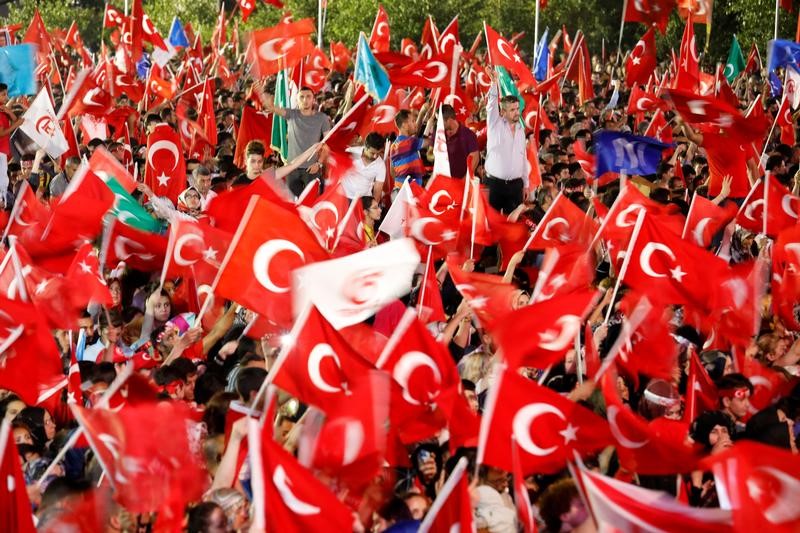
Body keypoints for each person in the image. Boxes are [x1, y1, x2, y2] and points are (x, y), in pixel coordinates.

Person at [259, 85, 332, 196]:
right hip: (291, 169)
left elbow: (327, 144)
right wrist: (263, 94)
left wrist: (319, 164)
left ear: (313, 99)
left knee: (312, 202)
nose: (305, 100)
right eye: (302, 97)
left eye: (308, 97)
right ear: (297, 100)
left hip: (312, 168)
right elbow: (272, 107)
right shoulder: (291, 114)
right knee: (292, 203)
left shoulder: (322, 118)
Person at [485, 73, 530, 213]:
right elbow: (491, 106)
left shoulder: (521, 130)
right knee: (492, 224)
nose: (517, 113)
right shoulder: (494, 125)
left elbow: (523, 158)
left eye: (517, 109)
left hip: (516, 187)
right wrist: (494, 84)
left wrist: (526, 184)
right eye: (512, 110)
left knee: (514, 226)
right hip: (494, 185)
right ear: (503, 112)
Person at [340, 132, 386, 200]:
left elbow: (377, 191)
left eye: (378, 153)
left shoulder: (381, 165)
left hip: (363, 201)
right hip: (344, 197)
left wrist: (372, 207)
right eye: (372, 153)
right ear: (365, 147)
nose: (375, 156)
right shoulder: (350, 153)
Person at [439, 104, 480, 179]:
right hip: (445, 182)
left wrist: (465, 180)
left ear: (449, 120)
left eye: (440, 121)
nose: (438, 124)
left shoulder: (468, 135)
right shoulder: (439, 133)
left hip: (462, 184)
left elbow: (475, 158)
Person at [0, 83, 23, 206]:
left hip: (3, 150)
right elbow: (1, 133)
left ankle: (2, 204)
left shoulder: (2, 108)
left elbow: (14, 120)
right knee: (2, 181)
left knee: (4, 179)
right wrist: (17, 125)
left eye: (6, 94)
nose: (6, 97)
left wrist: (9, 111)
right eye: (3, 94)